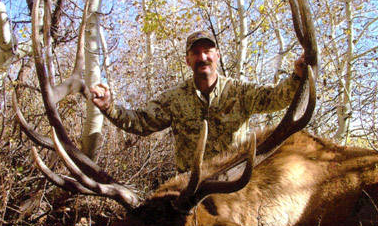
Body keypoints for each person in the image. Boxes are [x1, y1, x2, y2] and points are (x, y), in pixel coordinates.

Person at [91, 31, 306, 173]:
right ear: (187, 60)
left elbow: (278, 98)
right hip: (190, 188)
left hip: (232, 183)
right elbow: (141, 122)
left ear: (217, 55)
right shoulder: (174, 98)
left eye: (207, 51)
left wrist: (297, 75)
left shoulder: (240, 92)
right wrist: (109, 107)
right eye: (196, 53)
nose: (202, 57)